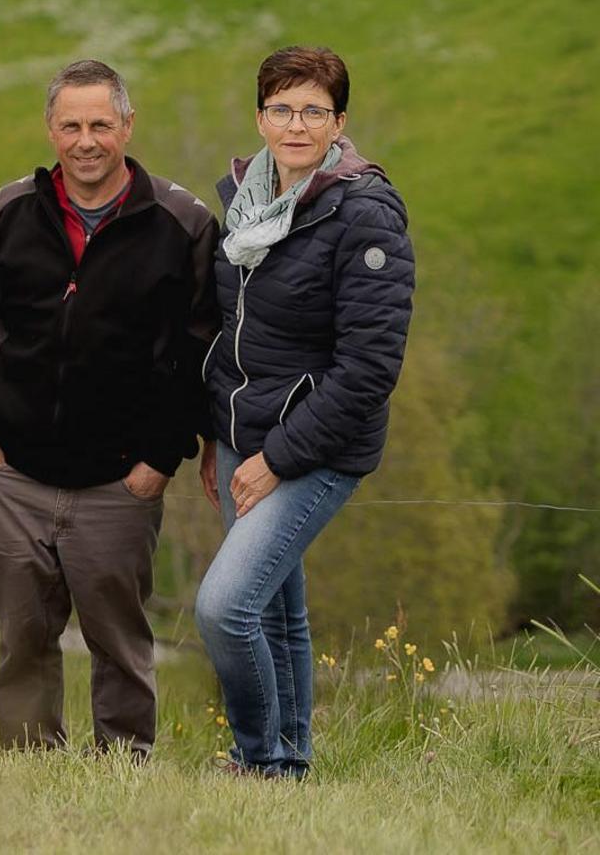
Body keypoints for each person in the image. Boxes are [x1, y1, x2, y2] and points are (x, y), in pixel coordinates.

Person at [0, 59, 217, 756]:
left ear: (128, 126)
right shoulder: (6, 213)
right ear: (50, 130)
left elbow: (197, 354)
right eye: (71, 125)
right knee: (22, 646)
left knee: (121, 648)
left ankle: (122, 771)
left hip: (120, 484)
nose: (86, 140)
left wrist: (161, 459)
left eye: (101, 124)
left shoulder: (181, 224)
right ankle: (30, 770)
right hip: (14, 479)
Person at [195, 46, 413, 778]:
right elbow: (229, 329)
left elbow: (370, 370)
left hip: (316, 448)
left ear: (339, 122)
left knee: (226, 609)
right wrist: (213, 432)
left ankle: (256, 760)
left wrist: (276, 459)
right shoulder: (242, 200)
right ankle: (286, 768)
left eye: (314, 110)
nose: (297, 124)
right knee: (279, 613)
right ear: (261, 118)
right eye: (283, 108)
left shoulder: (365, 213)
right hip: (239, 433)